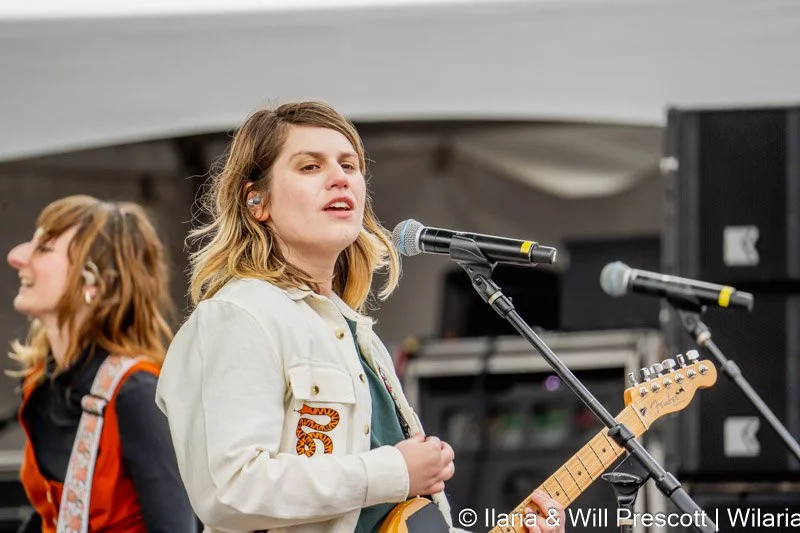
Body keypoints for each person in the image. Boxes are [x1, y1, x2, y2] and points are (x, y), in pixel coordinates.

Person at [155, 101, 567, 533]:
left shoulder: (358, 337)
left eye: (349, 165)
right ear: (257, 200)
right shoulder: (237, 316)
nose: (340, 178)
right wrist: (394, 471)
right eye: (310, 167)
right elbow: (230, 490)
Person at [7, 195, 198, 532]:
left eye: (45, 248)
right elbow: (57, 512)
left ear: (94, 280)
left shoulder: (136, 392)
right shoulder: (41, 380)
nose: (17, 257)